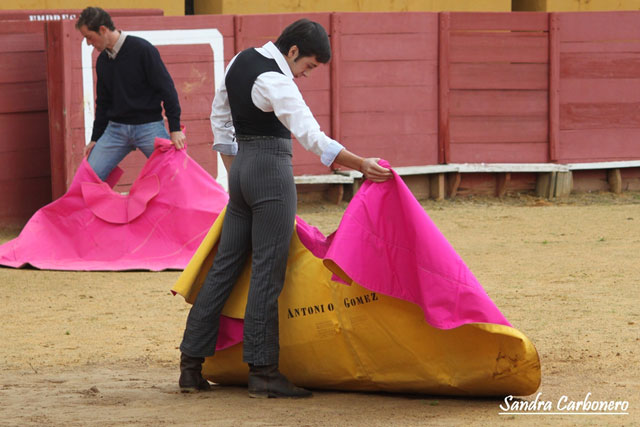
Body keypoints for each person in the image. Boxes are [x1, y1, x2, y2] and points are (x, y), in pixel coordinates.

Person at [179, 18, 392, 398]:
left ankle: (190, 366)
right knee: (266, 270)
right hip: (270, 173)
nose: (305, 75)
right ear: (292, 51)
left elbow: (220, 120)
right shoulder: (275, 80)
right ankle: (263, 372)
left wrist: (237, 173)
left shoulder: (239, 61)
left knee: (225, 265)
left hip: (241, 169)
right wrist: (361, 164)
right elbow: (312, 136)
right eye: (307, 66)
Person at [75, 7, 186, 181]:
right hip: (116, 130)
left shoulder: (142, 50)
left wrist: (174, 128)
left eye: (89, 36)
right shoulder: (103, 60)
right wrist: (95, 138)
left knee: (177, 177)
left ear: (103, 30)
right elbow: (103, 103)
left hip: (148, 126)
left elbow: (167, 89)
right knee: (87, 178)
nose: (88, 42)